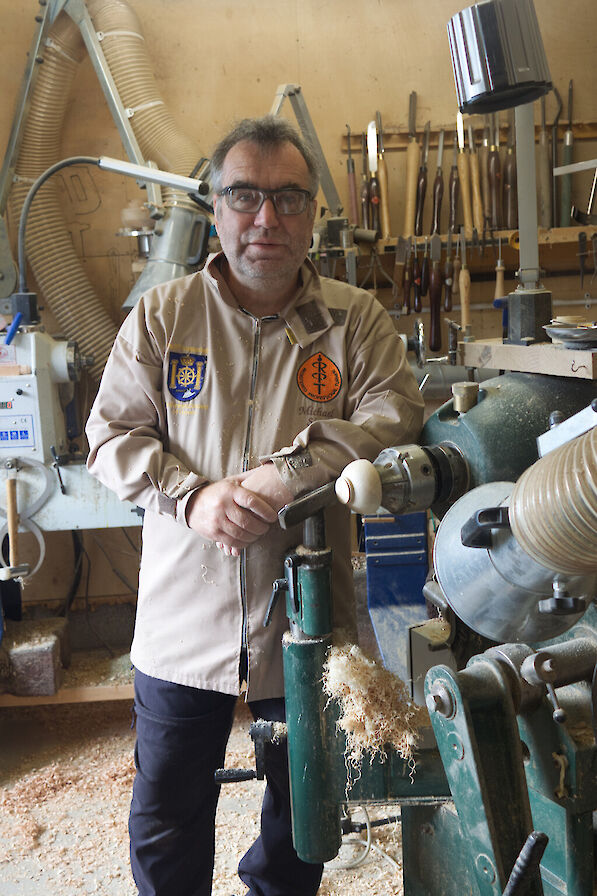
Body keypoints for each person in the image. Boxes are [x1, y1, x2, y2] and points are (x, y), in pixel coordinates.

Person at [86, 115, 424, 896]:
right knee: (166, 815)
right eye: (244, 196)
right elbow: (110, 437)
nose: (265, 217)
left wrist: (287, 474)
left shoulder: (353, 321)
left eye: (287, 198)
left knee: (301, 814)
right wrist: (193, 497)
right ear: (215, 209)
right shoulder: (162, 316)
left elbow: (393, 415)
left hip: (305, 621)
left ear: (313, 214)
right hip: (183, 619)